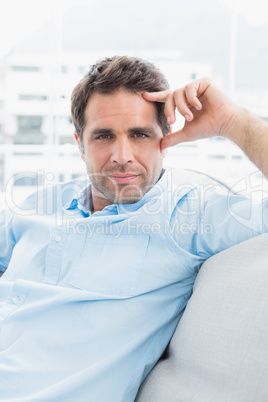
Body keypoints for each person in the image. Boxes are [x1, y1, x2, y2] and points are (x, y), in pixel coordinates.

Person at [0, 55, 267, 402]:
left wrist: (233, 121)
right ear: (80, 143)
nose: (121, 155)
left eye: (139, 134)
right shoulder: (40, 204)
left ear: (165, 138)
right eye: (103, 136)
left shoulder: (188, 216)